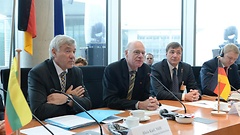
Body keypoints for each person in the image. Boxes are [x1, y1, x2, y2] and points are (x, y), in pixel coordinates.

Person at [28, 35, 92, 120]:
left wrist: (67, 98)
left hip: (70, 122)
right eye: (68, 51)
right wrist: (72, 102)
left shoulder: (76, 72)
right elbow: (39, 112)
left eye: (74, 51)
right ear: (54, 52)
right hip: (46, 125)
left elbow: (87, 104)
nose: (72, 56)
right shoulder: (38, 73)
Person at [103, 40, 159, 111]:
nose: (141, 56)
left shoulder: (145, 69)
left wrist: (152, 100)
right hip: (114, 111)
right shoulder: (112, 69)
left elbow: (145, 94)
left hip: (135, 113)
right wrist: (138, 104)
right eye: (136, 52)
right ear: (126, 53)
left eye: (143, 53)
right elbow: (110, 100)